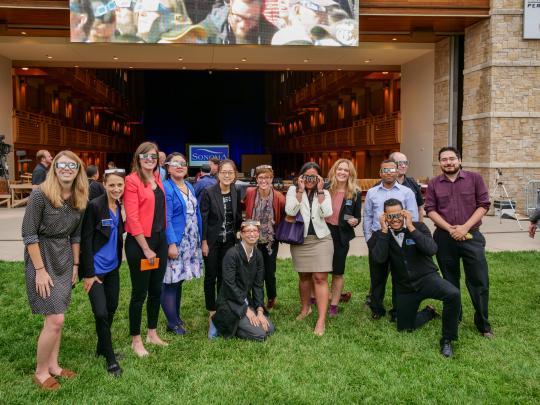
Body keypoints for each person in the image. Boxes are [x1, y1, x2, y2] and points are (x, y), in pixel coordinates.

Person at [22, 150, 88, 390]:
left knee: (57, 316)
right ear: (54, 167)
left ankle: (54, 366)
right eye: (62, 164)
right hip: (42, 256)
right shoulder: (39, 195)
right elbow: (28, 235)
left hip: (64, 259)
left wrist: (76, 265)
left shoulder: (80, 197)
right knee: (55, 318)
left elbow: (77, 234)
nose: (67, 169)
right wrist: (40, 270)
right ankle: (40, 372)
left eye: (72, 165)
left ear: (78, 169)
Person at [370, 199, 461, 357]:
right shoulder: (379, 235)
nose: (395, 219)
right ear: (384, 217)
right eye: (390, 216)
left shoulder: (418, 227)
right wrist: (384, 231)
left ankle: (447, 340)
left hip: (427, 278)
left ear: (404, 213)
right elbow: (379, 259)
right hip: (405, 287)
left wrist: (411, 226)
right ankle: (428, 312)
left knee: (453, 294)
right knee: (405, 327)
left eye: (398, 215)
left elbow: (431, 249)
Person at [425, 146, 493, 338]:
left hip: (472, 236)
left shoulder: (475, 179)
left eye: (452, 158)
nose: (448, 162)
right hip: (444, 238)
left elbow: (483, 205)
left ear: (460, 160)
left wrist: (464, 227)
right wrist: (450, 229)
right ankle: (456, 316)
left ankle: (483, 324)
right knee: (450, 280)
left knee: (479, 281)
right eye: (444, 159)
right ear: (440, 163)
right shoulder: (434, 183)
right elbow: (430, 209)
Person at [80, 168, 126, 377]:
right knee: (100, 312)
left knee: (112, 307)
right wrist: (89, 273)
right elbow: (86, 240)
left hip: (113, 268)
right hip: (96, 270)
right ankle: (111, 359)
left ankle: (102, 346)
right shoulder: (94, 206)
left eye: (120, 185)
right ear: (104, 185)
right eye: (112, 185)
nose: (116, 189)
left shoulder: (118, 205)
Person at [124, 142, 168, 357]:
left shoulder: (158, 178)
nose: (149, 159)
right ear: (138, 157)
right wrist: (146, 248)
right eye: (145, 156)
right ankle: (136, 339)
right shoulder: (131, 181)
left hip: (160, 241)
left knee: (156, 290)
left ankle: (152, 333)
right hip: (141, 243)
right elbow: (132, 218)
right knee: (139, 294)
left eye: (153, 156)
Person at [363, 159, 418, 320]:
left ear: (398, 171)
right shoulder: (372, 192)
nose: (389, 173)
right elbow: (367, 216)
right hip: (378, 237)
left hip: (399, 238)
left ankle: (397, 309)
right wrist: (368, 237)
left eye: (392, 170)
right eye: (385, 170)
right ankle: (377, 308)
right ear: (380, 173)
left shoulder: (406, 192)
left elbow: (413, 216)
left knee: (399, 275)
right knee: (377, 276)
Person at [285, 162, 333, 336]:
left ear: (319, 178)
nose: (310, 180)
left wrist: (320, 191)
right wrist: (299, 190)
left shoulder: (325, 192)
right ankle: (306, 309)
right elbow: (290, 210)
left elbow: (327, 213)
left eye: (314, 177)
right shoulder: (293, 191)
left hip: (321, 239)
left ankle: (321, 320)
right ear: (301, 177)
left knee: (320, 277)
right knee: (304, 276)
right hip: (300, 239)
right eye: (307, 176)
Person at [210, 220, 275, 341]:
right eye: (248, 231)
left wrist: (259, 311)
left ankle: (237, 325)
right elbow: (229, 285)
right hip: (230, 302)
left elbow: (258, 285)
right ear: (241, 234)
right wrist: (246, 310)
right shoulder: (232, 254)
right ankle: (219, 322)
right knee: (261, 335)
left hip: (245, 300)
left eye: (255, 231)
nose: (252, 234)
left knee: (269, 329)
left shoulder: (258, 255)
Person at [162, 153, 203, 335]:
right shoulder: (167, 188)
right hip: (177, 242)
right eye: (176, 163)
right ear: (168, 168)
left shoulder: (189, 185)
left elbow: (197, 214)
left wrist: (201, 239)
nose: (180, 166)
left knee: (179, 281)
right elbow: (166, 218)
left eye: (183, 163)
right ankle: (172, 323)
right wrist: (171, 243)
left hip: (190, 241)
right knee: (170, 282)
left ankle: (176, 317)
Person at [200, 159, 242, 320]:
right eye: (224, 172)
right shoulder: (209, 192)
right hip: (212, 241)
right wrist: (203, 242)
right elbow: (203, 219)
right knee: (211, 275)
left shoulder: (235, 191)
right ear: (218, 174)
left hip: (229, 241)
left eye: (230, 172)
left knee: (225, 275)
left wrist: (240, 232)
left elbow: (237, 216)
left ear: (234, 175)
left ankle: (222, 305)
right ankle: (211, 309)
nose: (227, 175)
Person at [243, 164, 285, 310]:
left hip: (270, 241)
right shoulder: (250, 192)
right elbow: (243, 207)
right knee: (252, 270)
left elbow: (284, 215)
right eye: (261, 177)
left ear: (272, 179)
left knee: (269, 271)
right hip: (251, 239)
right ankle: (253, 299)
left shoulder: (279, 197)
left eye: (267, 177)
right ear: (256, 179)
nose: (264, 180)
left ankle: (272, 297)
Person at [325, 159, 361, 316]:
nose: (342, 172)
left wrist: (354, 221)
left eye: (346, 170)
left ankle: (333, 306)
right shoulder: (325, 189)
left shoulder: (355, 193)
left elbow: (357, 217)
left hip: (341, 235)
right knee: (320, 271)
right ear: (334, 170)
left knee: (337, 271)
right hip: (324, 233)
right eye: (340, 169)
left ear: (350, 174)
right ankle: (320, 297)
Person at [201, 0, 277, 44]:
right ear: (230, 4)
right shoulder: (206, 31)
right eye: (239, 17)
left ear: (261, 10)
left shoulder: (272, 35)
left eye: (251, 19)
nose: (243, 25)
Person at [388, 151, 425, 221]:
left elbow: (420, 208)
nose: (403, 166)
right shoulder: (383, 185)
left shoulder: (412, 183)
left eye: (405, 163)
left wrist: (420, 227)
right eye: (400, 163)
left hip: (411, 227)